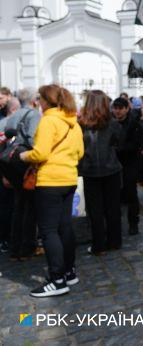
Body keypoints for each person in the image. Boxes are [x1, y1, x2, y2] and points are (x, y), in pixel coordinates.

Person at [20, 84, 84, 297]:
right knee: (65, 227)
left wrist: (23, 156)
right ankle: (69, 271)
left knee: (48, 231)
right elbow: (80, 152)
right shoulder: (73, 122)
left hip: (49, 181)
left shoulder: (48, 120)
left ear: (47, 100)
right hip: (69, 178)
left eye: (40, 98)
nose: (38, 102)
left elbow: (40, 153)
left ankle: (57, 280)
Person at [78, 90, 123, 255]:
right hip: (111, 168)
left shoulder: (81, 124)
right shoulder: (112, 123)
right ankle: (114, 241)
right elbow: (118, 142)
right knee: (113, 207)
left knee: (95, 209)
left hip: (90, 169)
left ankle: (99, 244)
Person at [5, 89, 40, 261]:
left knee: (19, 206)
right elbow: (33, 140)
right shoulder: (33, 115)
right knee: (30, 206)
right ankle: (28, 247)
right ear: (34, 101)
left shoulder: (13, 115)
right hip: (25, 162)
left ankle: (15, 247)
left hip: (12, 163)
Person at [112, 97, 143, 235]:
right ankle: (116, 223)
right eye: (115, 108)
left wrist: (119, 148)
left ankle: (133, 223)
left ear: (126, 109)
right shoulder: (111, 123)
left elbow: (137, 144)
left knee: (131, 193)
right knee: (116, 194)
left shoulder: (133, 123)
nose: (117, 111)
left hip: (130, 162)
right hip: (114, 163)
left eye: (120, 108)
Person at [0, 97, 19, 253]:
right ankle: (6, 238)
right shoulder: (6, 125)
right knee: (7, 207)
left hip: (11, 173)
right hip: (6, 173)